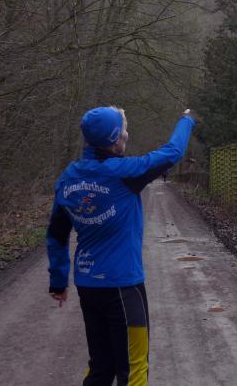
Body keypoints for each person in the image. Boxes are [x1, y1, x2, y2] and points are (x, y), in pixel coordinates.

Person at [46, 106, 196, 386]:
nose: (127, 133)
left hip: (88, 286)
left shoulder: (68, 178)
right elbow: (173, 152)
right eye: (124, 129)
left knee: (101, 368)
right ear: (115, 140)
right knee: (134, 369)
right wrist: (187, 120)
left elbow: (56, 234)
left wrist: (58, 281)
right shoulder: (124, 173)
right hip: (124, 288)